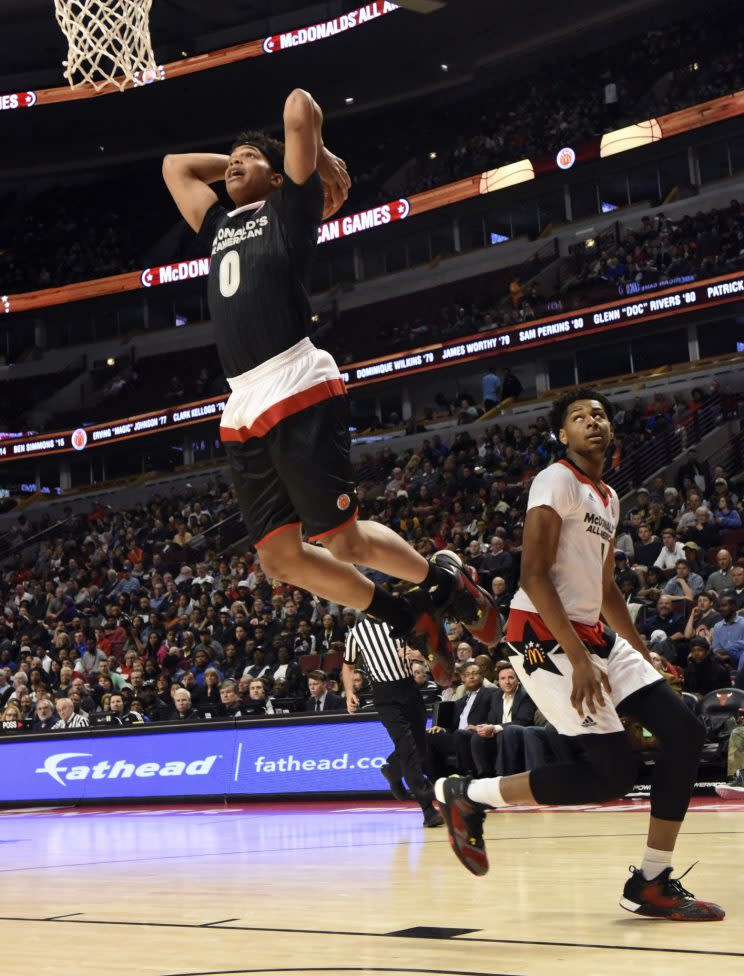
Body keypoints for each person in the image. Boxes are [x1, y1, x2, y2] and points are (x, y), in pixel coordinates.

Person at [160, 88, 481, 679]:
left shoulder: (290, 209)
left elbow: (298, 104)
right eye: (229, 161)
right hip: (243, 401)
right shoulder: (216, 225)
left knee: (344, 540)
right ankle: (404, 615)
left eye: (246, 160)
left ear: (280, 176)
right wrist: (240, 157)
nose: (231, 165)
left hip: (294, 378)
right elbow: (174, 168)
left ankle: (445, 583)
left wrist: (310, 154)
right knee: (280, 560)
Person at [435, 386, 723, 921]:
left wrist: (640, 652)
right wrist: (580, 657)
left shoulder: (609, 497)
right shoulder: (556, 480)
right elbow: (532, 575)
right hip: (541, 638)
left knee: (685, 731)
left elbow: (607, 589)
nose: (592, 421)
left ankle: (652, 881)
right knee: (613, 774)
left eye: (600, 414)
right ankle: (469, 793)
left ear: (611, 429)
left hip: (593, 634)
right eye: (578, 416)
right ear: (561, 434)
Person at [343, 615, 443, 827]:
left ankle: (393, 770)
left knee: (420, 747)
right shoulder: (356, 632)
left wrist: (418, 654)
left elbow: (427, 649)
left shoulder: (401, 621)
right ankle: (427, 809)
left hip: (409, 688)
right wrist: (349, 691)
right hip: (384, 695)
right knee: (406, 746)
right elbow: (348, 665)